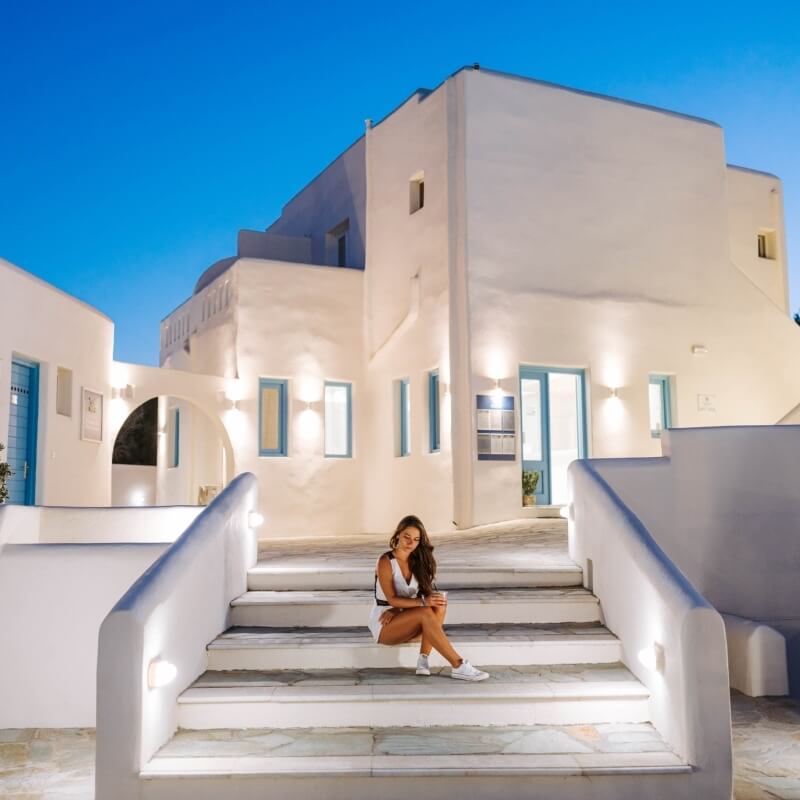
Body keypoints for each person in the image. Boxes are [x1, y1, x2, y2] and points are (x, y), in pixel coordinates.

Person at [368, 514, 490, 681]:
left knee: (439, 604)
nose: (411, 543)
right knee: (425, 611)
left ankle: (423, 660)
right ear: (397, 535)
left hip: (405, 615)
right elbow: (392, 600)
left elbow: (420, 596)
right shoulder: (385, 561)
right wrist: (408, 606)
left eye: (416, 539)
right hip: (384, 622)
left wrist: (402, 609)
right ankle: (458, 665)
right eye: (407, 537)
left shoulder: (418, 562)